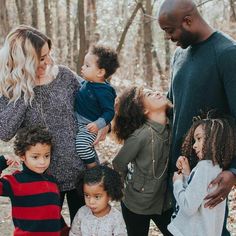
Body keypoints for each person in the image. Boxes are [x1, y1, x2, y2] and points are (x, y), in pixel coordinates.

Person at [0, 25, 107, 223]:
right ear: (24, 61)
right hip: (40, 178)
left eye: (48, 55)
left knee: (87, 228)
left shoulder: (64, 76)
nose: (48, 61)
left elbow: (96, 100)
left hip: (80, 172)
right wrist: (25, 86)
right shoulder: (11, 89)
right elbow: (5, 131)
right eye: (41, 58)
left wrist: (104, 124)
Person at [158, 1, 236, 233]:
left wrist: (233, 172)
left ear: (188, 21)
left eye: (170, 30)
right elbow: (173, 106)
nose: (169, 37)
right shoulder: (179, 55)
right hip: (178, 174)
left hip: (208, 176)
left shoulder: (227, 54)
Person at [112, 86, 173, 236]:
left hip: (164, 202)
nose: (158, 92)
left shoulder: (173, 126)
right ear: (144, 110)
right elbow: (118, 163)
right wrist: (132, 182)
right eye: (150, 94)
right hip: (136, 204)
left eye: (155, 90)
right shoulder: (140, 136)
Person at [168, 114, 236, 236]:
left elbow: (188, 207)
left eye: (199, 139)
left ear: (214, 140)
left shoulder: (204, 168)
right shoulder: (215, 168)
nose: (194, 145)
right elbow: (197, 194)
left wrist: (177, 182)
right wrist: (187, 175)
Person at [0, 126, 69, 235]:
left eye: (46, 156)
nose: (43, 162)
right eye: (35, 157)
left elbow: (54, 215)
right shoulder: (15, 182)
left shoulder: (52, 182)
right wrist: (1, 163)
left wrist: (66, 232)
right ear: (22, 156)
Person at [75, 45, 119, 167]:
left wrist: (98, 124)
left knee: (82, 146)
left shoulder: (104, 91)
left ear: (100, 72)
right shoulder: (88, 82)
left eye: (87, 66)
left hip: (89, 126)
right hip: (78, 121)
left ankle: (93, 169)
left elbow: (109, 112)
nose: (82, 68)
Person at [69, 165, 127, 236]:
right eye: (87, 195)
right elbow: (74, 233)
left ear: (110, 195)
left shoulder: (116, 218)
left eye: (97, 197)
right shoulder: (82, 213)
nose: (91, 202)